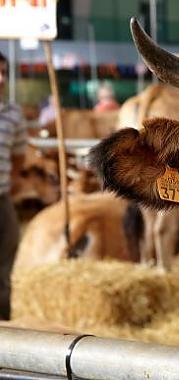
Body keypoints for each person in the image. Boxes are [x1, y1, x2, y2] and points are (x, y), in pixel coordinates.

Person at [0, 51, 25, 320]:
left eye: (4, 72)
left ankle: (3, 341)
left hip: (2, 200)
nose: (1, 78)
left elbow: (17, 159)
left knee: (3, 273)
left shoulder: (13, 115)